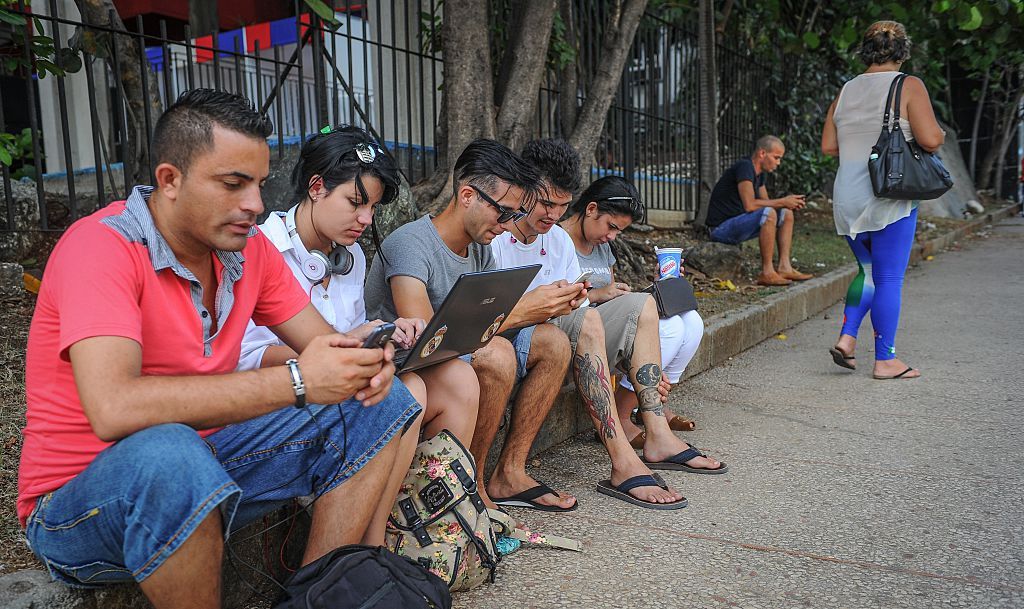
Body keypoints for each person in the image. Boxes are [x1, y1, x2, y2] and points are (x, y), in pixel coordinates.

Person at [17, 90, 421, 609]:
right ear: (170, 180)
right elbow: (114, 408)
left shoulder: (249, 250)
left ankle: (315, 599)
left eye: (257, 183)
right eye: (233, 184)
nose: (255, 203)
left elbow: (325, 345)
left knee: (382, 404)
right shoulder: (102, 246)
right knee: (172, 453)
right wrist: (299, 381)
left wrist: (366, 365)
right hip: (79, 506)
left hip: (207, 461)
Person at [365, 138, 582, 511]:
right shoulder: (410, 245)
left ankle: (500, 474)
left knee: (553, 342)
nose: (508, 225)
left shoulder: (480, 247)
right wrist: (522, 311)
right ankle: (471, 487)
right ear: (468, 195)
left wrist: (543, 308)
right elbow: (427, 343)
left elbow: (489, 318)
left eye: (515, 215)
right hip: (406, 371)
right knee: (496, 354)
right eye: (504, 213)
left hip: (452, 364)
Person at [238, 125, 478, 448]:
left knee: (458, 380)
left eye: (373, 207)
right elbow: (248, 357)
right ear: (317, 187)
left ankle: (434, 494)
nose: (366, 219)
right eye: (355, 202)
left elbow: (352, 332)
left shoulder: (351, 257)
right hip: (280, 398)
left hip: (343, 385)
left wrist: (386, 333)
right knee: (403, 394)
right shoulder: (261, 249)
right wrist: (342, 349)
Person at [555, 171, 726, 486]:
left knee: (690, 322)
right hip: (577, 332)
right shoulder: (557, 239)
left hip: (605, 322)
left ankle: (655, 415)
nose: (612, 236)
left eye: (619, 230)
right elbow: (556, 301)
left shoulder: (602, 245)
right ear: (590, 209)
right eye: (611, 226)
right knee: (671, 330)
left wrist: (655, 287)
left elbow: (612, 290)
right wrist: (596, 296)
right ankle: (629, 417)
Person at [821, 20, 943, 380]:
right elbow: (932, 140)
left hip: (847, 197)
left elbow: (829, 146)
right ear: (903, 51)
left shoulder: (845, 90)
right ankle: (886, 359)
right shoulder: (909, 86)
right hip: (888, 197)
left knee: (868, 271)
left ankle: (847, 338)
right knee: (889, 277)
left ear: (866, 50)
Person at [706, 135, 814, 286]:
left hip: (739, 223)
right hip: (720, 229)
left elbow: (766, 203)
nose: (778, 163)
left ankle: (784, 267)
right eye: (776, 157)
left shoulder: (759, 175)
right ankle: (767, 272)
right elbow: (750, 205)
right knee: (770, 213)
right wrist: (783, 201)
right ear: (762, 153)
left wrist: (787, 204)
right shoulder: (745, 167)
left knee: (785, 213)